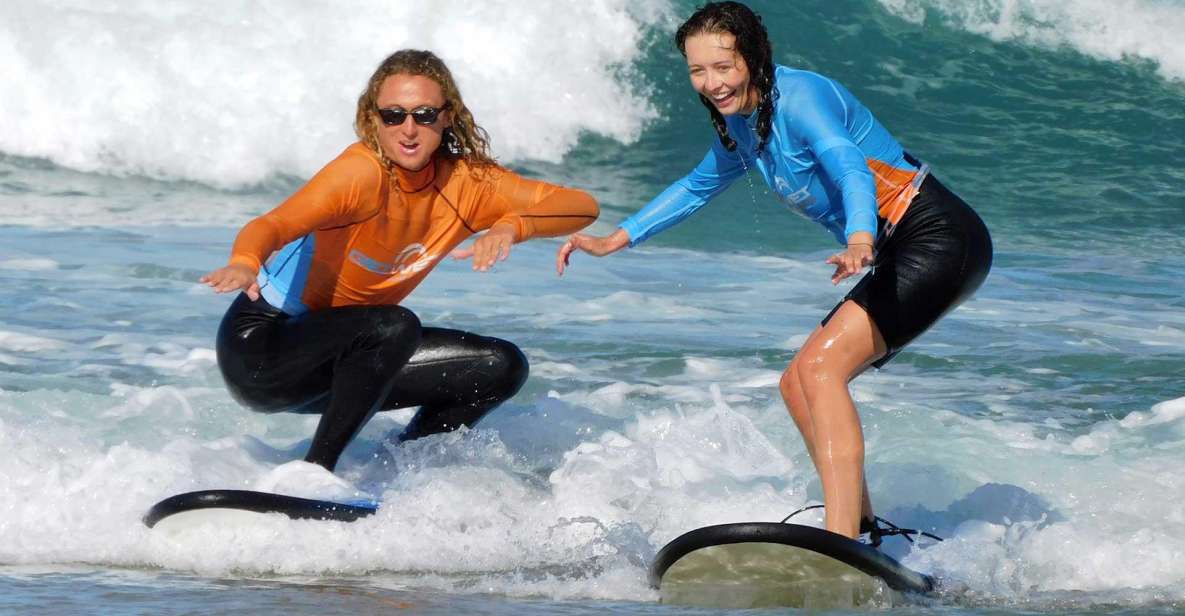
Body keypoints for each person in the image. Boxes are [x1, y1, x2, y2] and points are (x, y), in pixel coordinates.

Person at [557, 2, 991, 544]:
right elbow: (696, 186)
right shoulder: (743, 126)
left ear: (754, 58)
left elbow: (849, 164)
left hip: (938, 237)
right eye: (698, 71)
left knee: (821, 372)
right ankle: (862, 528)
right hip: (898, 247)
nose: (712, 83)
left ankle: (841, 540)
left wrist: (860, 237)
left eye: (723, 66)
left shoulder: (803, 99)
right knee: (797, 384)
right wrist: (614, 240)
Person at [201, 49, 599, 472]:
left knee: (498, 367)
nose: (408, 130)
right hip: (266, 349)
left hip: (353, 358)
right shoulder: (361, 174)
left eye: (424, 114)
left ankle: (398, 467)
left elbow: (581, 206)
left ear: (447, 117)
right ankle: (315, 473)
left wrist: (511, 227)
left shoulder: (469, 185)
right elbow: (275, 223)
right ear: (374, 119)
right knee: (393, 325)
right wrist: (245, 259)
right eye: (393, 115)